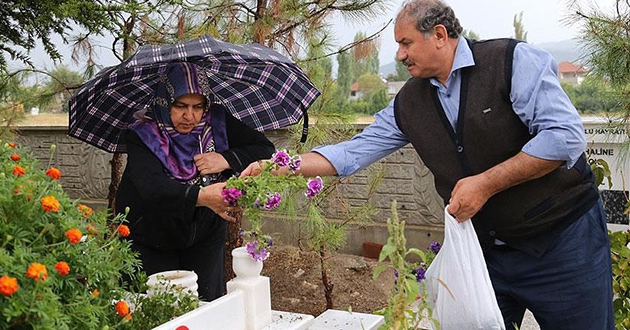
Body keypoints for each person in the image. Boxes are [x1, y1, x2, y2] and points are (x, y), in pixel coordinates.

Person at [242, 0, 614, 328]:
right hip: (485, 254)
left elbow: (564, 137)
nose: (400, 55)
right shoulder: (409, 103)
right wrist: (281, 165)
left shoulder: (511, 61)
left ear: (439, 34)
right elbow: (353, 151)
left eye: (405, 43)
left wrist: (484, 184)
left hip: (563, 243)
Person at [115, 62, 275, 301]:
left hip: (204, 234)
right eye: (180, 106)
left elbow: (265, 149)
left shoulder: (218, 123)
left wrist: (226, 158)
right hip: (151, 235)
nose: (190, 116)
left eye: (198, 107)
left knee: (204, 304)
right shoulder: (143, 134)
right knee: (157, 307)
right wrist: (200, 197)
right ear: (164, 101)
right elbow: (151, 187)